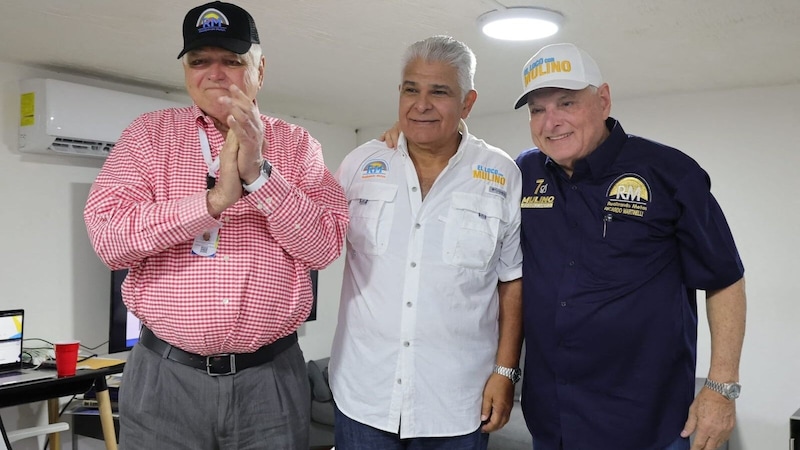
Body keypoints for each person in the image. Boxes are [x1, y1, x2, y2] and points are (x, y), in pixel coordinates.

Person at [382, 43, 747, 450]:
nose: (550, 122)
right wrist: (409, 143)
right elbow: (461, 173)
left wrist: (721, 387)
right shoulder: (523, 173)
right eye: (537, 110)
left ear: (603, 100)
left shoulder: (670, 173)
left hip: (648, 423)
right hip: (554, 422)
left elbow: (725, 280)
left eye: (566, 103)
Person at [83, 2, 348, 449]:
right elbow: (110, 238)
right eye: (200, 60)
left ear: (260, 69)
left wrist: (260, 176)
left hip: (271, 381)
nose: (215, 72)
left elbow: (324, 246)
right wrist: (214, 201)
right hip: (164, 378)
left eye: (232, 60)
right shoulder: (148, 136)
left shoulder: (299, 146)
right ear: (186, 70)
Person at [329, 35, 524, 449]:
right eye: (411, 89)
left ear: (468, 102)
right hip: (364, 394)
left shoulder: (501, 173)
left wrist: (505, 372)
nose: (421, 104)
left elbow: (512, 281)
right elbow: (314, 240)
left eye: (440, 91)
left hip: (457, 402)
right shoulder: (359, 165)